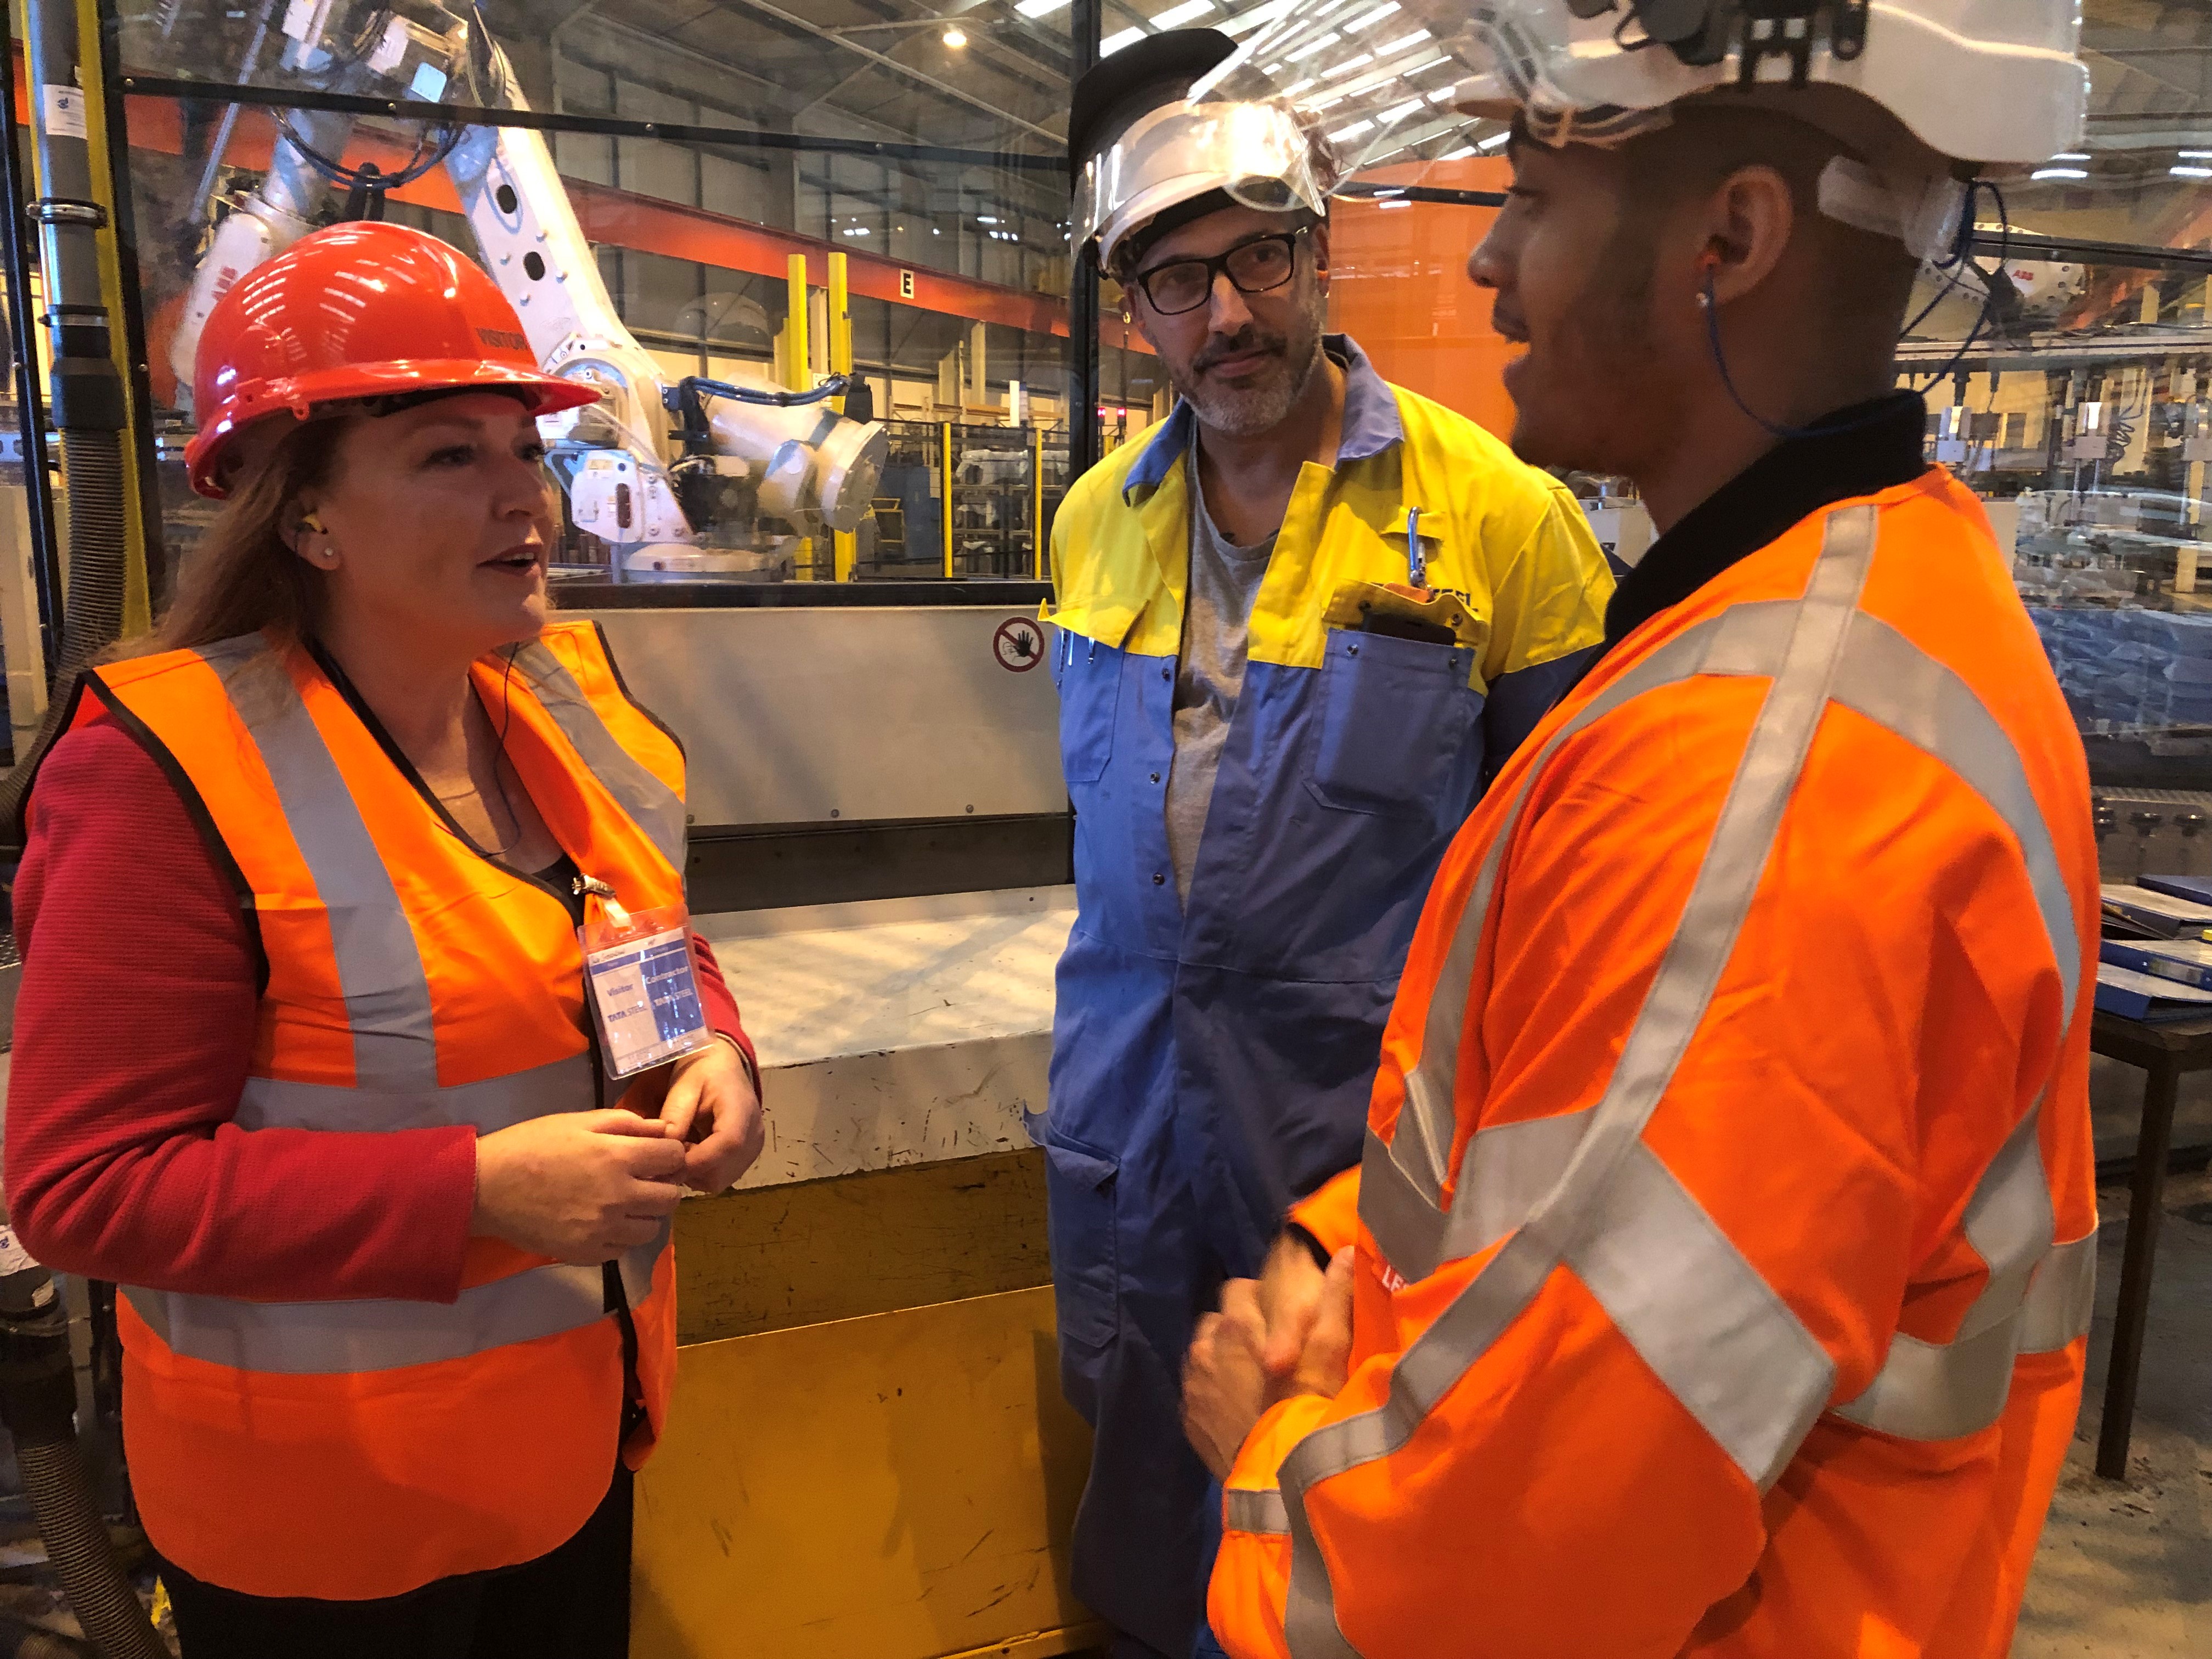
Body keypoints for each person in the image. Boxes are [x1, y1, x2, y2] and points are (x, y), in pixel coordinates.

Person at [1180, 4, 2102, 1656]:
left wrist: (1272, 1451)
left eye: (1532, 197)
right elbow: (1565, 1164)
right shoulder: (1848, 610)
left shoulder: (1773, 774)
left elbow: (1516, 1556)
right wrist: (1346, 1252)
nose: (1485, 269)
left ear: (1729, 238)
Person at [2, 221, 764, 1657]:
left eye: (521, 449)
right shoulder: (169, 768)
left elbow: (641, 929)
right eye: (445, 456)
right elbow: (81, 1187)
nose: (520, 497)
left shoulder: (561, 699)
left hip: (570, 1459)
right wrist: (473, 1192)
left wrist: (711, 1051)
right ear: (307, 517)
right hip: (326, 1532)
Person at [1043, 30, 1614, 1657]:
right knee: (1148, 1520)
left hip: (1355, 1154)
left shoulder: (1504, 522)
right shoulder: (1096, 520)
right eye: (1177, 281)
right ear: (1134, 309)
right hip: (1131, 1130)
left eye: (1261, 261)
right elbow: (1115, 854)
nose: (1226, 316)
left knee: (1355, 1547)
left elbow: (1565, 901)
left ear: (1319, 251)